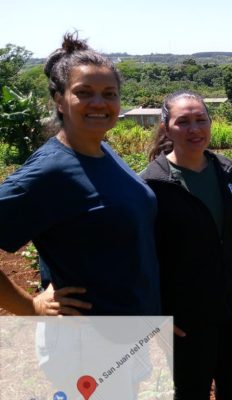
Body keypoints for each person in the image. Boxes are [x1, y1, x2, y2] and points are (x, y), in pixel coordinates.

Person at [0, 33, 161, 317]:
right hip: (85, 345)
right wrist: (31, 307)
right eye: (84, 92)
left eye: (109, 94)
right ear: (59, 100)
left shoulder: (103, 150)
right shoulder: (51, 170)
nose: (99, 102)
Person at [141, 90, 232, 399]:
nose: (194, 130)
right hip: (186, 316)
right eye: (183, 122)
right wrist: (155, 311)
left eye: (201, 120)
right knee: (191, 391)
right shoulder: (152, 184)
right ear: (166, 128)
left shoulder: (228, 170)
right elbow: (144, 257)